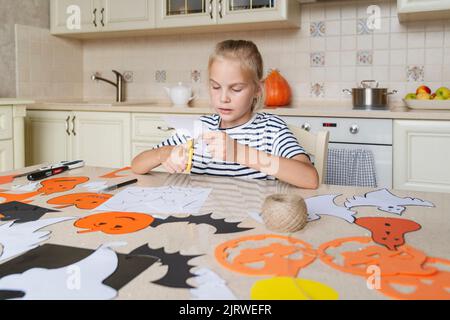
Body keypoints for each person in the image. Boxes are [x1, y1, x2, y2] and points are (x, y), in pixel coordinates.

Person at [132, 40, 319, 189]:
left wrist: (239, 153)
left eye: (236, 89)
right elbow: (137, 165)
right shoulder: (198, 128)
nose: (223, 98)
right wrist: (164, 153)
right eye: (215, 87)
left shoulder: (270, 129)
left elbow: (309, 179)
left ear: (258, 89)